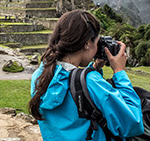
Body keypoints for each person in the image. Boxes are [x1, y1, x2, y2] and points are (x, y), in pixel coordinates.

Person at [29, 10, 144, 141]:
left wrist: (95, 67)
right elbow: (133, 123)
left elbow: (71, 84)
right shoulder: (91, 82)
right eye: (97, 42)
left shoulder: (40, 76)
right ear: (87, 43)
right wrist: (119, 72)